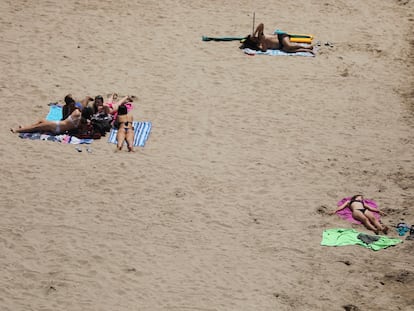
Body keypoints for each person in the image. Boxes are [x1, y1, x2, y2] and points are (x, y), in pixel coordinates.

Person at [11, 96, 82, 134]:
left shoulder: (76, 113)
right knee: (41, 121)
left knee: (37, 127)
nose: (75, 104)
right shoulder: (70, 110)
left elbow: (82, 104)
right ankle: (24, 127)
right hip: (58, 125)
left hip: (58, 127)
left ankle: (17, 130)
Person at [240, 23, 315, 54]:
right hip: (280, 46)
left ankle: (306, 46)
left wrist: (255, 32)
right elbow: (264, 50)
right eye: (253, 38)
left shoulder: (260, 35)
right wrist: (261, 44)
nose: (254, 37)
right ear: (252, 41)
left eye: (253, 36)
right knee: (288, 50)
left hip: (281, 37)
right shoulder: (259, 45)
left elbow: (261, 24)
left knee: (289, 46)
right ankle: (306, 50)